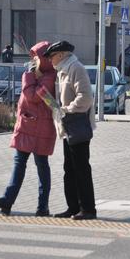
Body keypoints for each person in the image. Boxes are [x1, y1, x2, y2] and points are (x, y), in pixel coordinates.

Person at [0, 41, 57, 216]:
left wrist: (29, 76)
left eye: (36, 58)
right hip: (27, 126)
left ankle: (42, 207)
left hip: (41, 129)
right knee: (19, 164)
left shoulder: (49, 77)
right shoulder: (36, 75)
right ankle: (7, 200)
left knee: (42, 166)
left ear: (44, 59)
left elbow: (32, 96)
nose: (33, 61)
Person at [44, 40, 97, 220]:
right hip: (68, 126)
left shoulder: (76, 68)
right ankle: (73, 207)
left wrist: (67, 109)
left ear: (61, 54)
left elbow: (86, 97)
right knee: (69, 169)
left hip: (78, 124)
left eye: (52, 56)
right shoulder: (62, 71)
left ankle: (88, 209)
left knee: (81, 168)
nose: (50, 60)